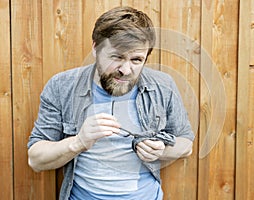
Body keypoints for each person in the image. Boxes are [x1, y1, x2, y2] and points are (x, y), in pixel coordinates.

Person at [27, 6, 194, 200]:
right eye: (117, 57)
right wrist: (78, 142)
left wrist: (162, 151)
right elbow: (35, 159)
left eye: (137, 59)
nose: (126, 69)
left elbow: (186, 144)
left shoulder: (163, 86)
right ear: (95, 47)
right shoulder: (61, 86)